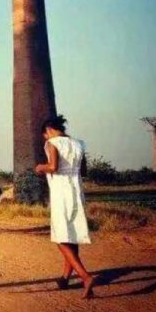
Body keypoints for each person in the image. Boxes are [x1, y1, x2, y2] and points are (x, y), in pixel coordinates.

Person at [35, 115, 94, 298]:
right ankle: (65, 278)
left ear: (49, 130)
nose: (46, 138)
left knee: (61, 238)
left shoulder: (53, 143)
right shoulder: (79, 144)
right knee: (72, 236)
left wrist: (40, 167)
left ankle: (85, 276)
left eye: (45, 135)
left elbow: (53, 167)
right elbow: (83, 171)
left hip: (61, 193)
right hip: (77, 192)